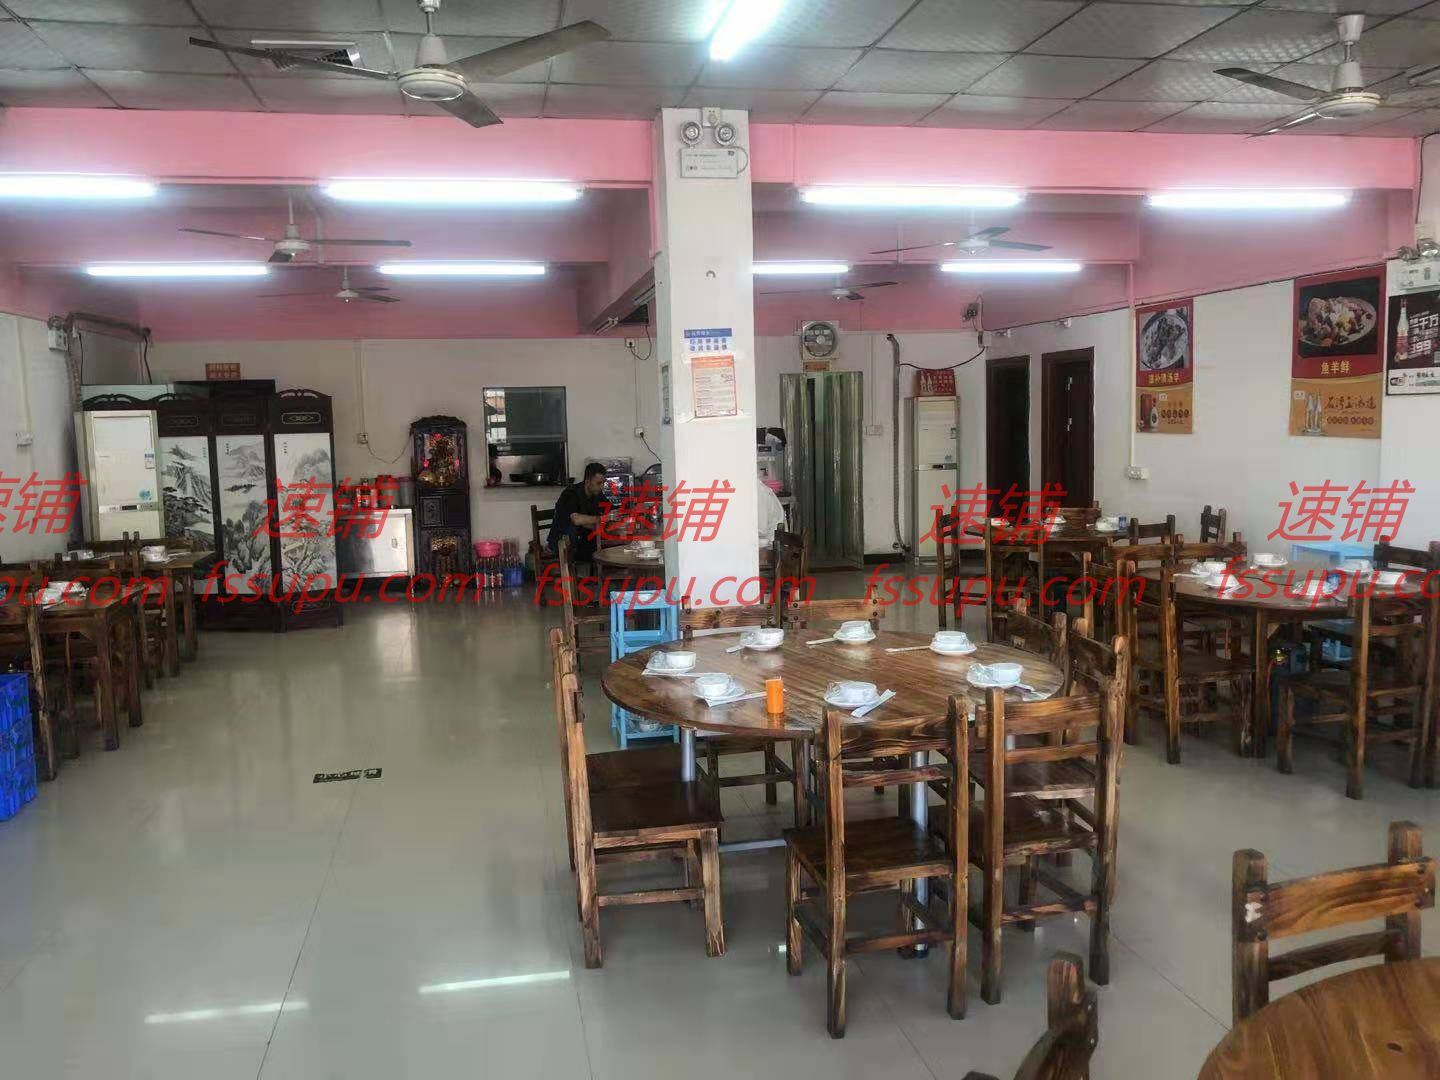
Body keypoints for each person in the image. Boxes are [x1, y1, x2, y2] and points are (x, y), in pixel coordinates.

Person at [548, 462, 607, 563]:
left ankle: (601, 570)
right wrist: (601, 519)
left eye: (603, 483)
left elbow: (610, 510)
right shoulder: (571, 493)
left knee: (608, 543)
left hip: (582, 539)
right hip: (563, 542)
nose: (602, 486)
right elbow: (576, 519)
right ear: (587, 481)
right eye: (598, 483)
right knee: (600, 550)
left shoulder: (597, 494)